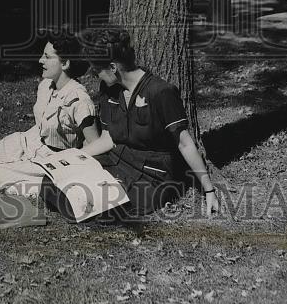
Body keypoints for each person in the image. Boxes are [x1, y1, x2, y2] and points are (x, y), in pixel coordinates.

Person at [39, 27, 219, 221]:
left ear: (113, 68)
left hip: (152, 175)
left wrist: (209, 190)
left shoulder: (161, 92)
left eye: (98, 70)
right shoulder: (109, 89)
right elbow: (108, 138)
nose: (96, 75)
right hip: (116, 160)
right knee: (49, 184)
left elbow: (185, 143)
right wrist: (73, 156)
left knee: (89, 203)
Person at [0, 31, 100, 195]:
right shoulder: (46, 85)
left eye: (47, 57)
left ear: (65, 64)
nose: (40, 60)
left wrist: (71, 167)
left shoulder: (79, 100)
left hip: (54, 157)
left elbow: (95, 145)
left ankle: (44, 183)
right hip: (32, 141)